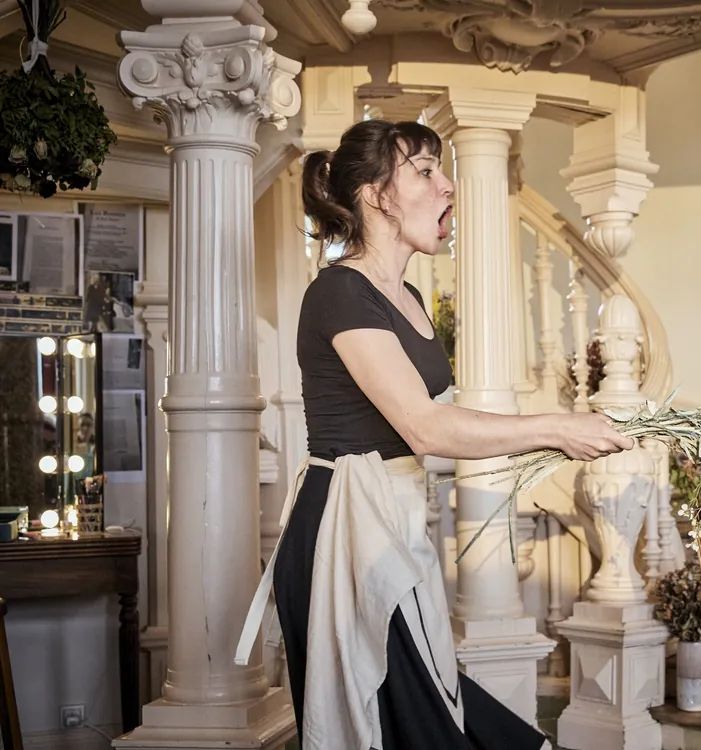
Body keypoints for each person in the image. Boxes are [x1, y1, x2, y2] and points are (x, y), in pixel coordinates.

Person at [235, 120, 632, 750]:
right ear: (374, 195)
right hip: (343, 526)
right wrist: (557, 426)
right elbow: (424, 426)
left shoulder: (411, 294)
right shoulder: (339, 293)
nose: (447, 185)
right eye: (424, 171)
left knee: (428, 711)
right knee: (405, 723)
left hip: (389, 517)